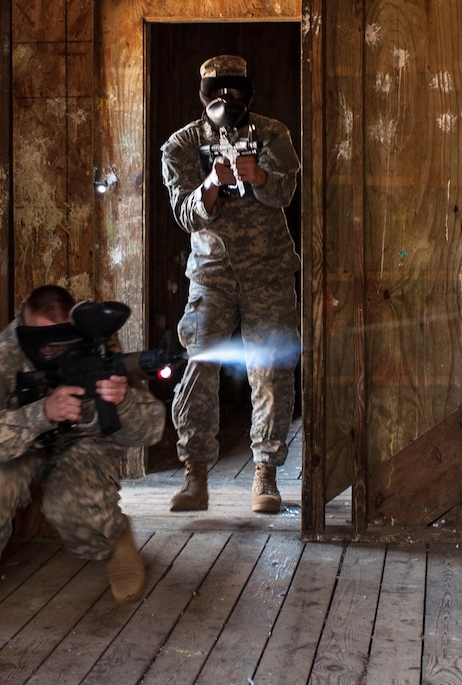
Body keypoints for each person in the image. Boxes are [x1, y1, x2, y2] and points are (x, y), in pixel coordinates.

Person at [0, 285, 165, 634]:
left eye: (61, 341)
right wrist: (41, 413)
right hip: (22, 443)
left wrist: (122, 401)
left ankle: (115, 536)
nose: (53, 350)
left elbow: (150, 431)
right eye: (43, 343)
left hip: (81, 442)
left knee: (71, 503)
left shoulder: (99, 346)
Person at [160, 54, 301, 515]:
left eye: (235, 90)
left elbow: (286, 192)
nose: (227, 101)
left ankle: (266, 473)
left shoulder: (272, 133)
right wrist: (210, 186)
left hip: (269, 273)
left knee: (271, 372)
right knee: (199, 366)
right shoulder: (181, 146)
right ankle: (195, 472)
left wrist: (257, 175)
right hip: (211, 276)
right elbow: (183, 213)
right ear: (204, 95)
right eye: (218, 91)